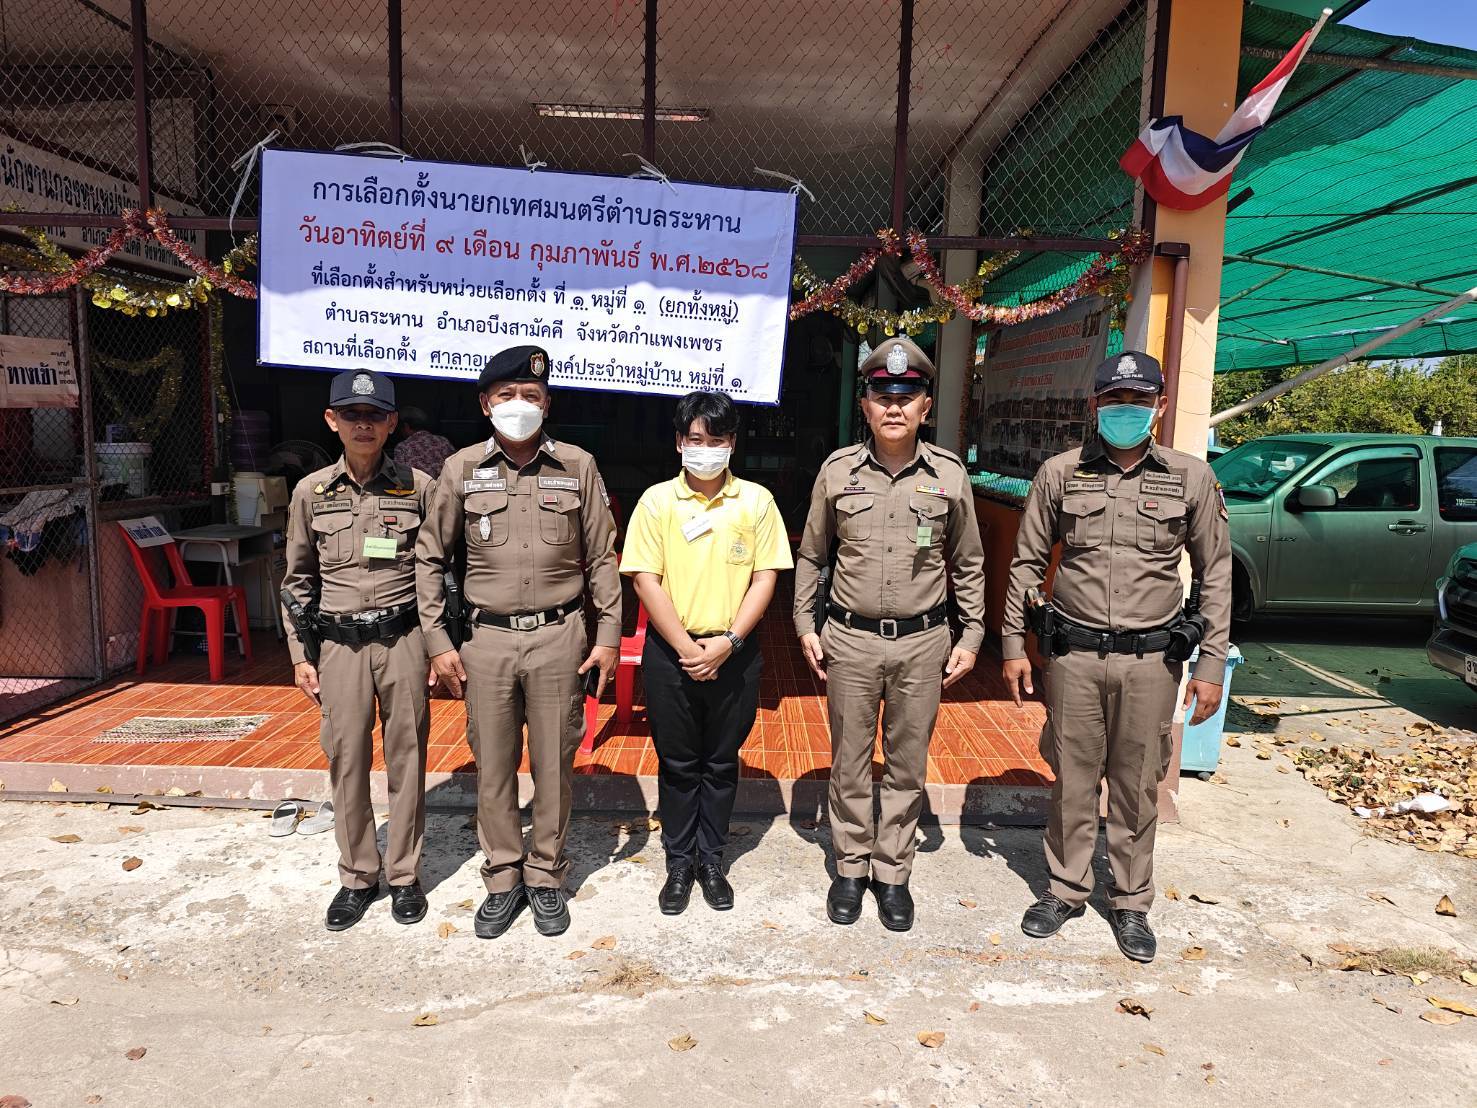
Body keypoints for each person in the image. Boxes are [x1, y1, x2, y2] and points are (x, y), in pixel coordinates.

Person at [1001, 350, 1231, 963]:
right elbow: (1026, 563)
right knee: (1072, 779)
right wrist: (1013, 644)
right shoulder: (1060, 473)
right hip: (1073, 657)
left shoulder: (1190, 478)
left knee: (1137, 784)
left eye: (1138, 399)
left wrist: (1211, 664)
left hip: (1152, 661)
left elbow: (1216, 574)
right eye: (1114, 399)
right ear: (1094, 404)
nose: (1125, 409)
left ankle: (1130, 901)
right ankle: (1065, 889)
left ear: (1160, 405)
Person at [416, 345, 620, 940]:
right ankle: (504, 876)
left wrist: (608, 635)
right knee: (494, 765)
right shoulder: (460, 469)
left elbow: (602, 556)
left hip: (560, 637)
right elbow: (430, 557)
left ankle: (546, 874)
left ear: (547, 403)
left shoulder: (577, 465)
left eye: (531, 395)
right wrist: (437, 640)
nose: (519, 404)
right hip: (487, 641)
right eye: (506, 395)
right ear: (486, 404)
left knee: (555, 764)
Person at [793, 336, 987, 932]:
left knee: (907, 763)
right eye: (883, 395)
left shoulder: (949, 475)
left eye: (907, 395)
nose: (894, 406)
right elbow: (812, 554)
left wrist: (971, 635)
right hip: (849, 639)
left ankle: (893, 872)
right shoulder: (838, 472)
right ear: (866, 405)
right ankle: (851, 868)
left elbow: (969, 562)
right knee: (849, 762)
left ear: (926, 405)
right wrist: (804, 622)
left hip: (923, 642)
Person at [620, 391, 793, 915]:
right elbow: (644, 579)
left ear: (732, 444)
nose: (706, 449)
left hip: (733, 651)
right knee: (677, 763)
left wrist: (728, 643)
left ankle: (711, 860)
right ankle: (679, 862)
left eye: (716, 440)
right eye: (696, 439)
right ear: (679, 442)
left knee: (720, 762)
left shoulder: (756, 502)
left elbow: (766, 578)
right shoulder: (657, 502)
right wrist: (686, 648)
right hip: (670, 653)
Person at [281, 368, 433, 932]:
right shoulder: (311, 491)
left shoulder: (419, 487)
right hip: (338, 646)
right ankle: (357, 876)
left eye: (374, 415)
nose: (362, 425)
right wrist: (301, 654)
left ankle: (405, 875)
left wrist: (439, 645)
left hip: (403, 639)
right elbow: (297, 578)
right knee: (346, 758)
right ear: (332, 420)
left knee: (407, 756)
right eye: (351, 414)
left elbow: (438, 573)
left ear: (392, 423)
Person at [393, 405, 455, 478]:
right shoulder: (443, 441)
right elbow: (457, 467)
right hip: (446, 484)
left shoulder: (402, 448)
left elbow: (400, 477)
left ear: (406, 426)